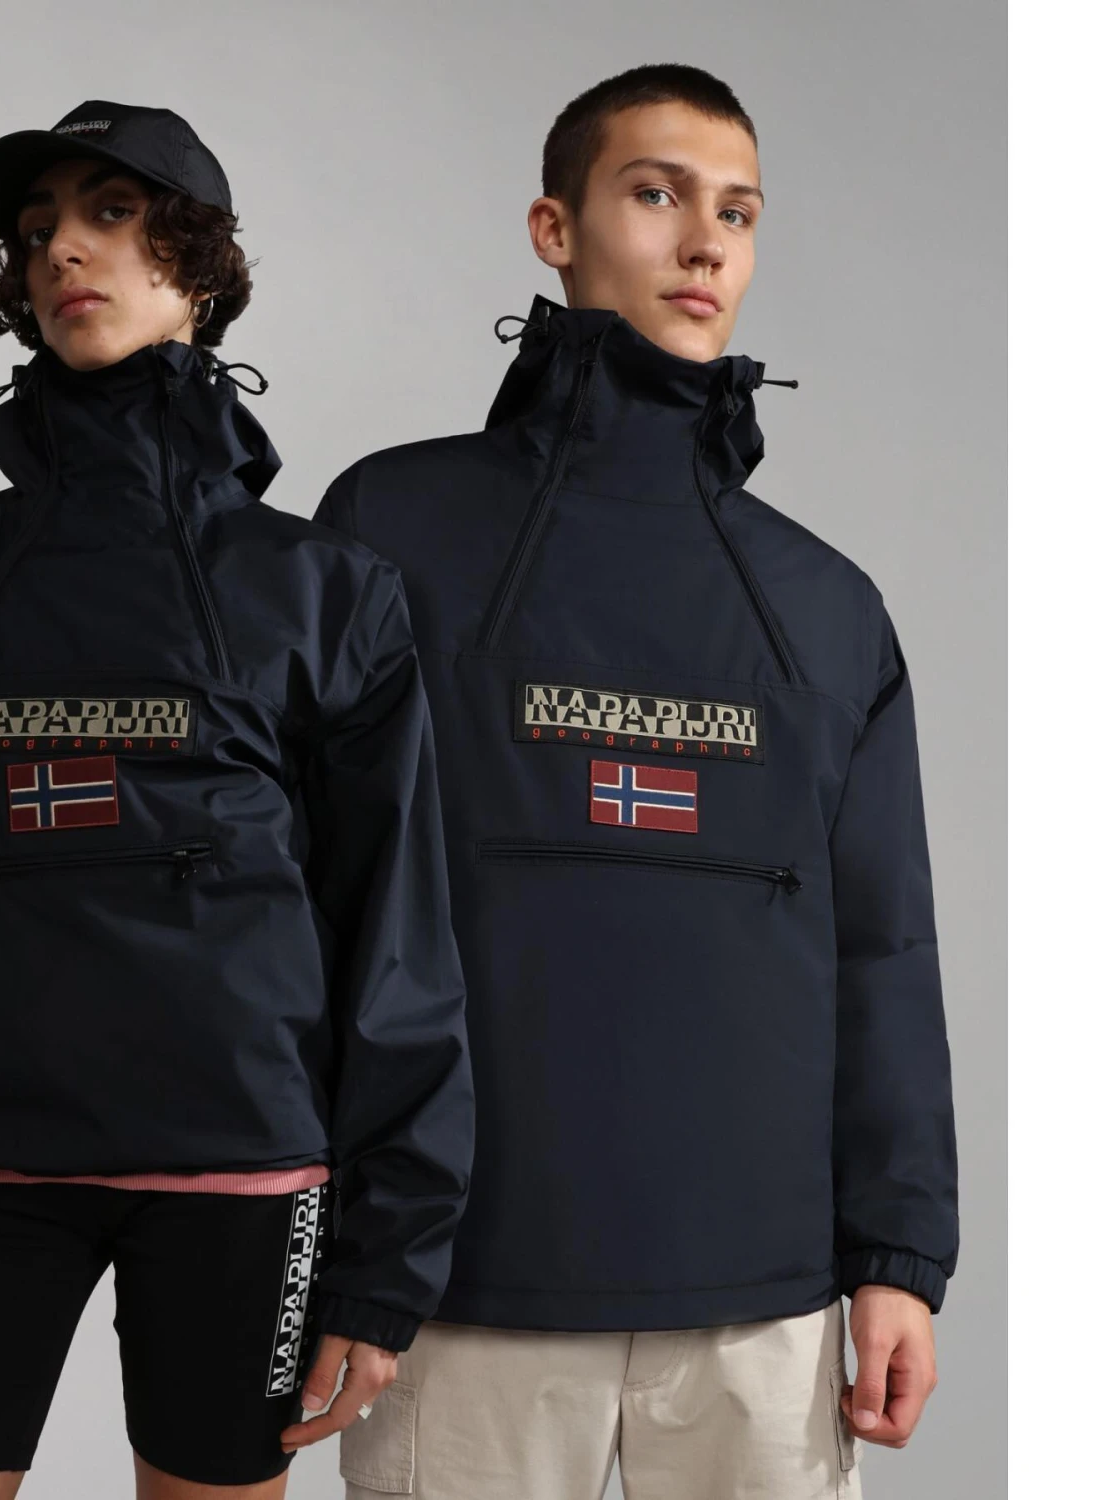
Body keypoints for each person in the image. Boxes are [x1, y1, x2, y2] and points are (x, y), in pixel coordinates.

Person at [0, 98, 473, 1499]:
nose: (62, 253)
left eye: (109, 214)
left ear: (200, 265)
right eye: (38, 232)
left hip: (244, 1176)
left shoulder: (323, 590)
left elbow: (395, 930)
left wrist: (389, 1257)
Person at [308, 65, 958, 1500]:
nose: (704, 241)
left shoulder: (826, 606)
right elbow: (312, 903)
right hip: (460, 1294)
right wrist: (331, 1250)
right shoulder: (392, 528)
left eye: (738, 211)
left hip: (765, 1310)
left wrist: (898, 1257)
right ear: (555, 227)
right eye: (656, 194)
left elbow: (883, 949)